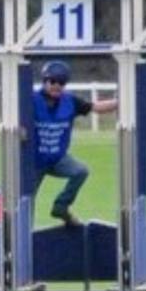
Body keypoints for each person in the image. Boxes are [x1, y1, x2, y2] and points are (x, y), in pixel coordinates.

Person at [32, 60, 115, 228]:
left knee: (80, 171)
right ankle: (24, 237)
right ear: (45, 81)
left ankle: (61, 206)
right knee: (26, 199)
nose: (56, 86)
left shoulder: (70, 102)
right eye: (52, 81)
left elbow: (95, 107)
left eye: (61, 82)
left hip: (57, 159)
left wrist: (121, 102)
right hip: (33, 162)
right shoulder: (30, 100)